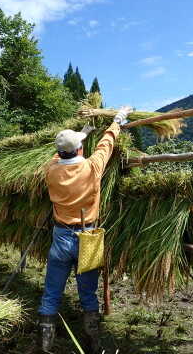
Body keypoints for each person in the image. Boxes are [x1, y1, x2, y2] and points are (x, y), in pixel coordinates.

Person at [38, 106, 132, 353]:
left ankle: (45, 343)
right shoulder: (92, 168)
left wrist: (79, 135)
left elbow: (61, 154)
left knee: (51, 291)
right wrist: (117, 120)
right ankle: (93, 341)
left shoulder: (50, 170)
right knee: (88, 293)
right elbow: (106, 144)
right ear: (79, 149)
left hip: (60, 237)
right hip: (88, 237)